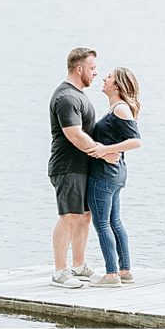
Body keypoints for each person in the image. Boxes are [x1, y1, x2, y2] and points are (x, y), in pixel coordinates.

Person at [47, 47, 117, 288]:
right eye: (92, 68)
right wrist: (103, 152)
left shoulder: (78, 94)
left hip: (83, 166)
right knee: (69, 216)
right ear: (79, 69)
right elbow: (74, 134)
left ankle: (78, 265)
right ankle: (59, 271)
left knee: (85, 216)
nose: (95, 73)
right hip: (67, 166)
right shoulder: (66, 97)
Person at [84, 67, 142, 288]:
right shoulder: (116, 108)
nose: (104, 79)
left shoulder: (120, 109)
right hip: (114, 174)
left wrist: (104, 149)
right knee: (114, 222)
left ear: (117, 86)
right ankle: (125, 271)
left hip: (105, 175)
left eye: (109, 77)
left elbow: (136, 141)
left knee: (102, 224)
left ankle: (111, 274)